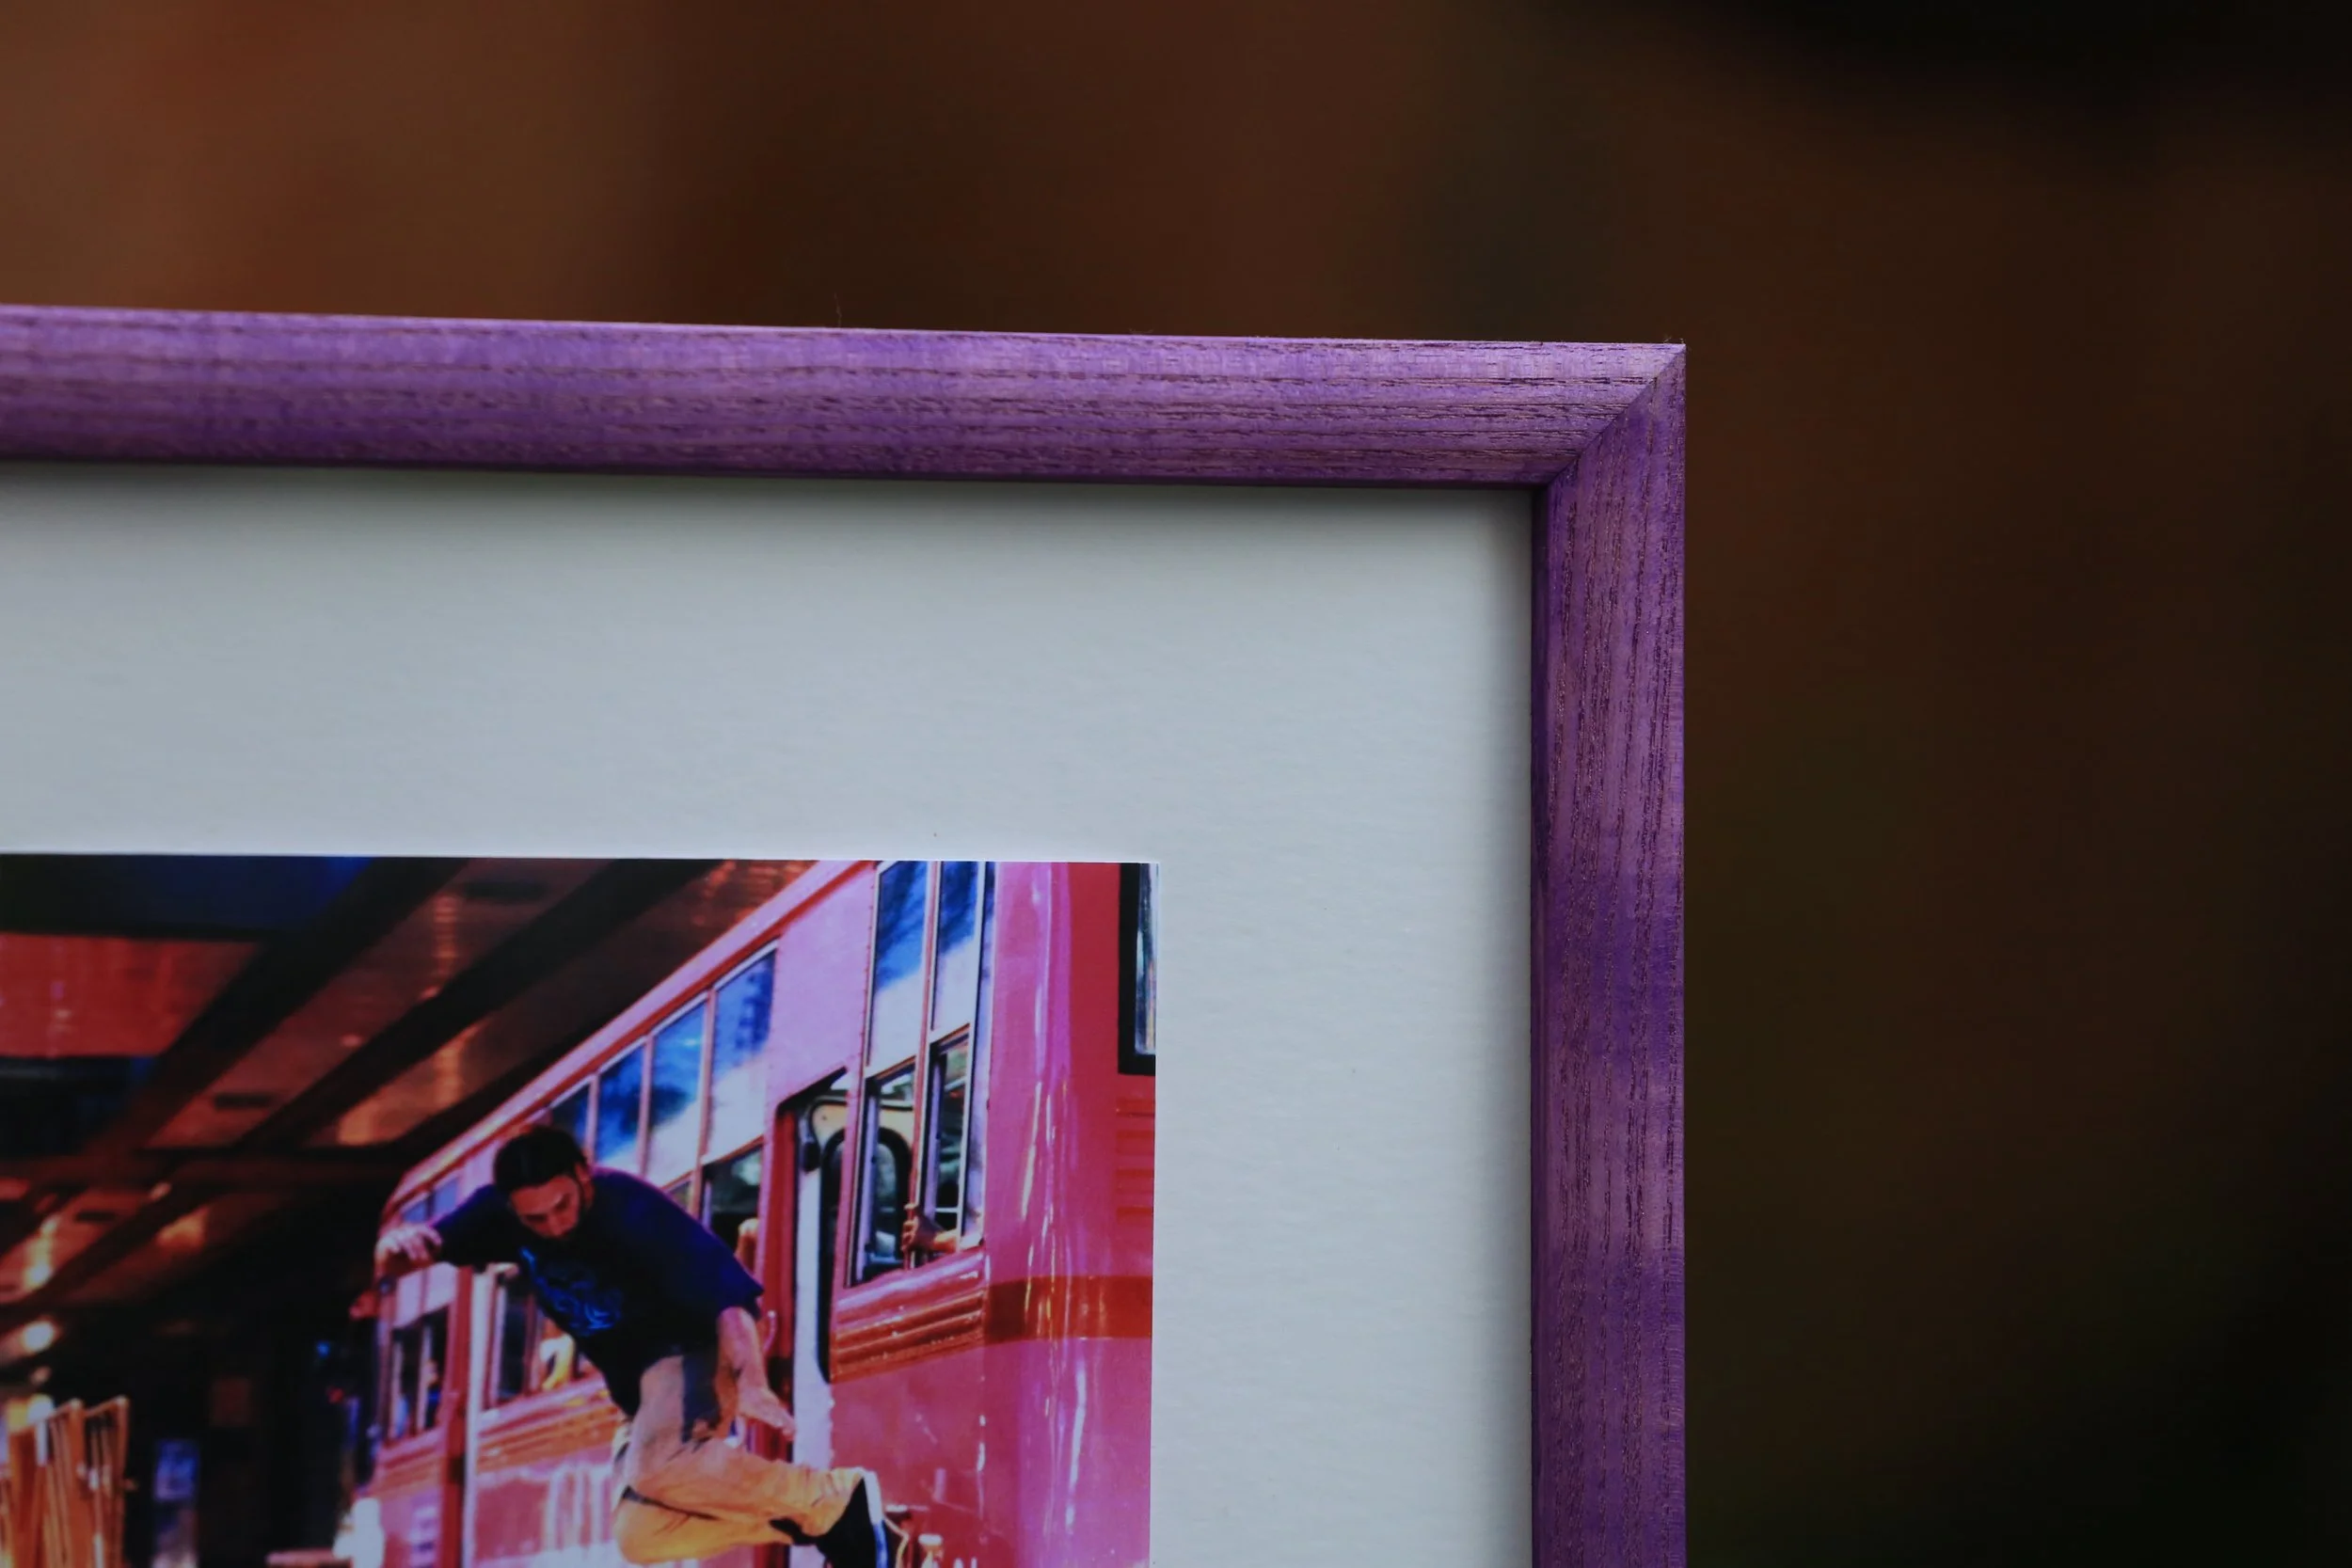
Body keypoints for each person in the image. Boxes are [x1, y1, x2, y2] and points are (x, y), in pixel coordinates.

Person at [373, 1125, 888, 1568]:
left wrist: (751, 1381)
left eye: (564, 1205)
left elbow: (728, 1301)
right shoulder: (496, 1214)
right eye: (536, 1220)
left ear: (584, 1173)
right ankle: (817, 1524)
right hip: (638, 1388)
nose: (556, 1225)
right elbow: (417, 1253)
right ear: (511, 1209)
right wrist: (392, 1248)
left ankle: (838, 1498)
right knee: (640, 1535)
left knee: (657, 1465)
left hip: (691, 1348)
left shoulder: (634, 1211)